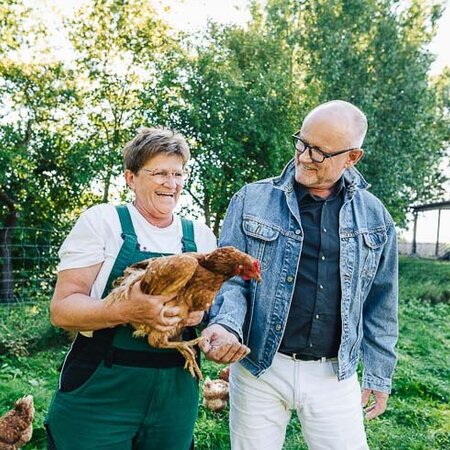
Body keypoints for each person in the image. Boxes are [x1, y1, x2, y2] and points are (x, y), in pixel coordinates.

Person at [200, 100, 398, 450]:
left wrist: (379, 373)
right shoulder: (251, 200)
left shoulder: (376, 217)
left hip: (334, 375)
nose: (304, 157)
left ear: (352, 157)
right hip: (259, 367)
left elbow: (382, 303)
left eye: (319, 152)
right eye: (302, 143)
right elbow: (231, 280)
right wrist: (226, 325)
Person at [46, 127, 216, 450]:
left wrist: (198, 316)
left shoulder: (200, 237)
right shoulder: (103, 222)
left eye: (178, 174)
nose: (171, 184)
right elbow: (62, 309)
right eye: (160, 173)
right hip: (101, 389)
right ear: (130, 178)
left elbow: (212, 312)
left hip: (175, 393)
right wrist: (126, 310)